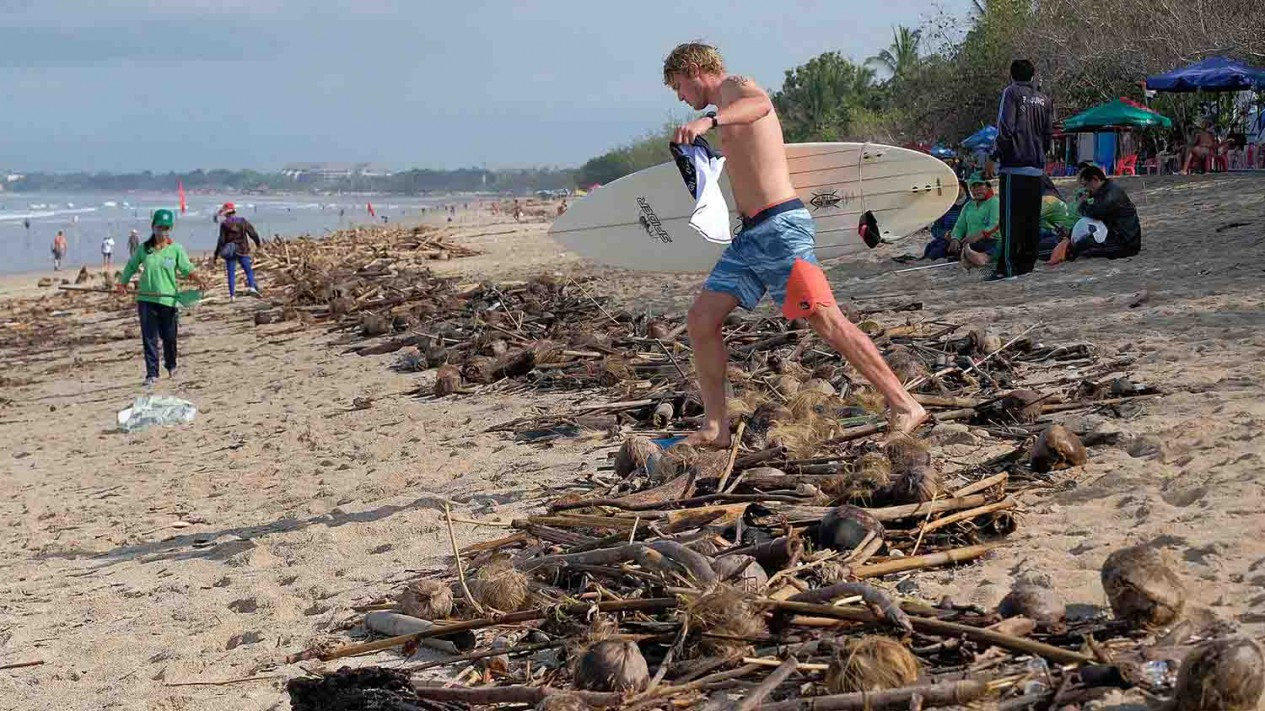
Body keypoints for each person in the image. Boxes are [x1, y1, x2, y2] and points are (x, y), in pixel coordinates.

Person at [662, 42, 926, 445]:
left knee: (827, 320)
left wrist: (707, 122)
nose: (681, 97)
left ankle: (905, 404)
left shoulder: (735, 87)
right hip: (751, 237)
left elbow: (761, 105)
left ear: (695, 69)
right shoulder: (725, 110)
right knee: (701, 320)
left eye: (679, 86)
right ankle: (716, 428)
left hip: (781, 228)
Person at [116, 209, 202, 386]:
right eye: (159, 227)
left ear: (170, 229)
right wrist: (122, 283)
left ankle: (171, 365)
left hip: (168, 300)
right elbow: (131, 266)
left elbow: (186, 269)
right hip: (146, 299)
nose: (162, 231)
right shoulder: (144, 249)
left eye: (166, 228)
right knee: (149, 338)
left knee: (169, 337)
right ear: (153, 227)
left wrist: (198, 279)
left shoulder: (175, 249)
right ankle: (152, 374)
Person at [990, 59, 1053, 280]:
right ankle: (1027, 265)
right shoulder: (1044, 99)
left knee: (1010, 221)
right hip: (1036, 169)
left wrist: (994, 156)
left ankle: (1007, 268)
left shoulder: (1011, 93)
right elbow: (1048, 135)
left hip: (1014, 168)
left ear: (1011, 75)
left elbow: (1005, 129)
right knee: (1030, 220)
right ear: (1033, 76)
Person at [1048, 164, 1141, 264]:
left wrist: (1083, 203)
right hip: (1120, 236)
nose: (1086, 189)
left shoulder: (1110, 193)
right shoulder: (1106, 190)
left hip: (1125, 242)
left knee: (1082, 245)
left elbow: (1094, 213)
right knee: (1081, 243)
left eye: (1086, 185)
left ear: (1095, 180)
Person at [212, 202, 263, 301]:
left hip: (230, 250)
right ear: (234, 211)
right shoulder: (242, 221)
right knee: (248, 270)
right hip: (242, 249)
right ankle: (252, 287)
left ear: (226, 213)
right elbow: (253, 233)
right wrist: (258, 244)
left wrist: (216, 254)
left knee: (231, 273)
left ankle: (232, 295)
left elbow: (221, 240)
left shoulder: (224, 224)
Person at [952, 174, 1002, 268]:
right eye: (973, 187)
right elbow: (960, 226)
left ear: (988, 187)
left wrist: (979, 235)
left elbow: (996, 224)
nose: (977, 190)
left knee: (997, 246)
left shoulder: (995, 202)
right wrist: (955, 238)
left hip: (991, 240)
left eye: (980, 186)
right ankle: (970, 255)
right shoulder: (968, 206)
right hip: (971, 242)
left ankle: (983, 258)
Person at [912, 179, 969, 261]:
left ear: (965, 189)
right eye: (953, 190)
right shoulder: (946, 207)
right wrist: (945, 234)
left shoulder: (971, 205)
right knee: (931, 248)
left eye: (959, 189)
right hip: (945, 239)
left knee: (937, 252)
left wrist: (956, 236)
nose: (956, 192)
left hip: (964, 239)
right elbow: (935, 228)